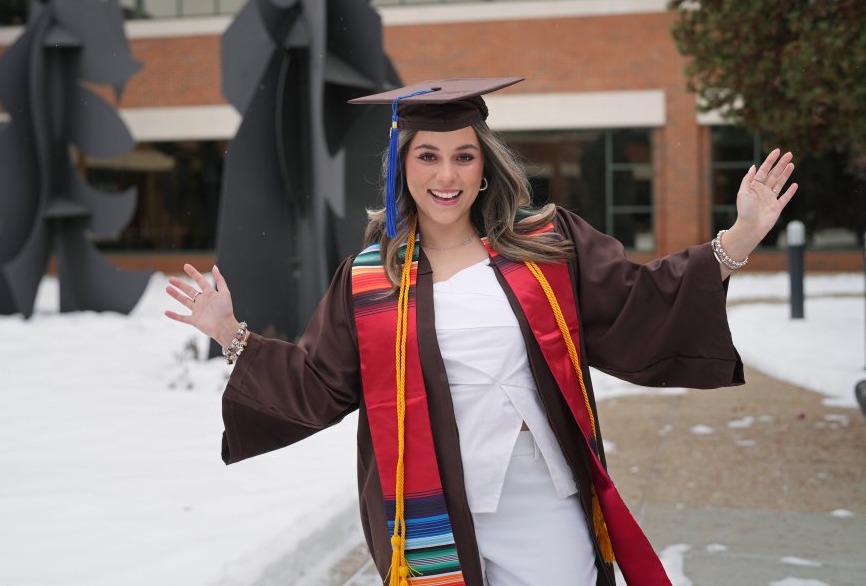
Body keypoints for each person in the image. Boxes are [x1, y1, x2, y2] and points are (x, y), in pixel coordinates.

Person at [164, 77, 798, 586]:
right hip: (429, 511)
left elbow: (643, 300)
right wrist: (232, 335)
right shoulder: (370, 280)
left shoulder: (547, 246)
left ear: (485, 165)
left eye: (464, 156)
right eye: (429, 156)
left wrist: (737, 238)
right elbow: (318, 383)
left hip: (539, 498)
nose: (448, 175)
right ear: (402, 167)